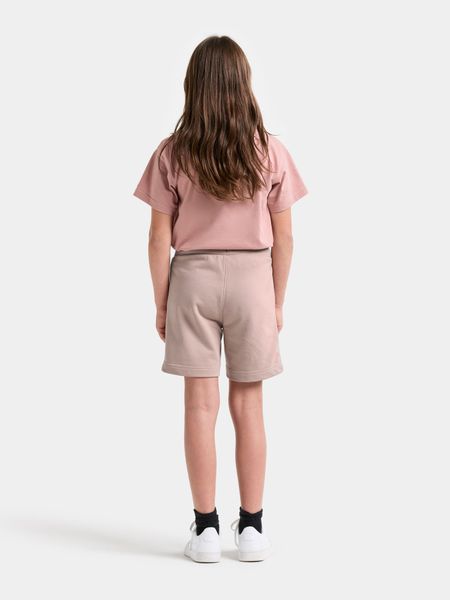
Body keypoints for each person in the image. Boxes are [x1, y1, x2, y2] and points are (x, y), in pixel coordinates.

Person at [132, 35, 308, 562]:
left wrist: (162, 302)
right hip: (254, 278)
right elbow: (286, 238)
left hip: (192, 278)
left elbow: (157, 238)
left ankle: (206, 530)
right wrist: (276, 301)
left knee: (199, 404)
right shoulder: (268, 150)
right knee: (249, 405)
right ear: (243, 84)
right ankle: (252, 529)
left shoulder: (173, 151)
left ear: (193, 85)